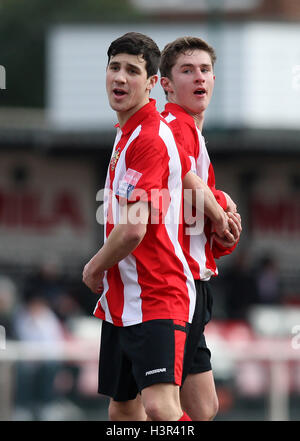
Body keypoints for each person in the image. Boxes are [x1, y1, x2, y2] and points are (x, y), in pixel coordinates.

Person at [82, 32, 233, 421]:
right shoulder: (154, 128)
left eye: (205, 70)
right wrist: (220, 210)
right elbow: (182, 180)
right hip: (141, 289)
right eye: (114, 68)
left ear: (151, 84)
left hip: (160, 288)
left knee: (162, 409)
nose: (120, 78)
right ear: (165, 84)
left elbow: (138, 224)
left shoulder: (156, 130)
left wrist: (219, 211)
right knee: (131, 411)